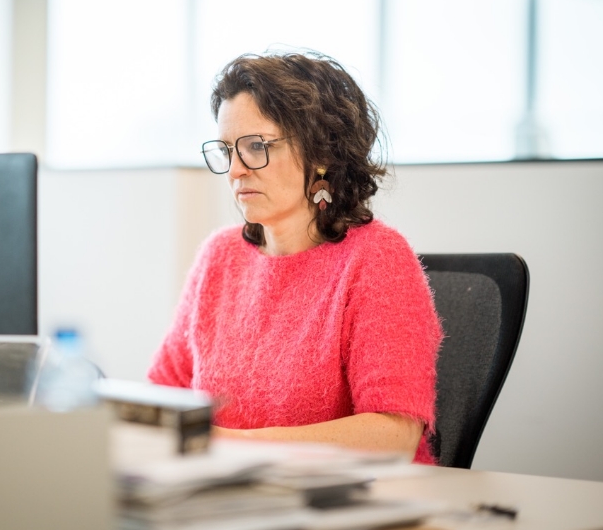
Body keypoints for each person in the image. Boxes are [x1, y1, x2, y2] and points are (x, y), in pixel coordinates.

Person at [147, 51, 444, 464]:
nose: (235, 170)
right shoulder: (220, 256)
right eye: (226, 150)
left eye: (255, 146)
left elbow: (392, 434)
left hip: (354, 506)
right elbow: (161, 394)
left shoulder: (377, 259)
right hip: (235, 501)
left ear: (321, 151)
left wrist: (224, 446)